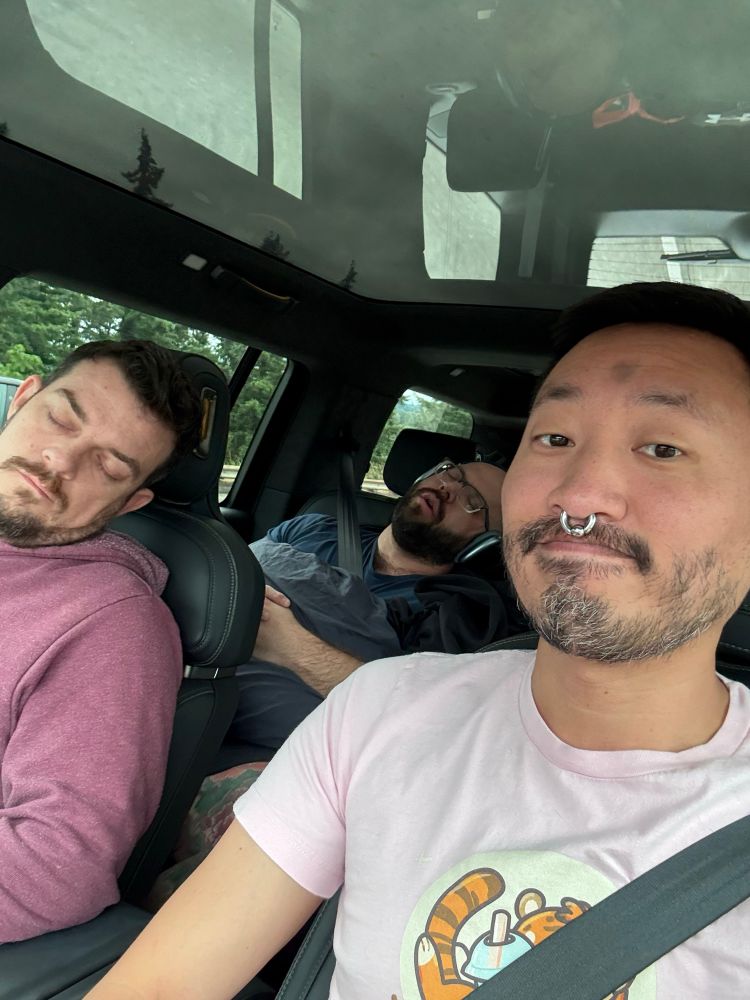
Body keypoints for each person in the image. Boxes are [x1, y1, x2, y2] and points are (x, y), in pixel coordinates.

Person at [87, 280, 750, 999]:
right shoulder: (381, 712)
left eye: (662, 447)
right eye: (555, 439)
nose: (581, 495)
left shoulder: (452, 608)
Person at [0, 339, 201, 943]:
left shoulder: (111, 623)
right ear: (24, 397)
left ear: (129, 502)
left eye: (109, 467)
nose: (58, 459)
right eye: (60, 418)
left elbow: (58, 864)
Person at [224, 459, 510, 756]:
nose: (446, 488)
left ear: (486, 543)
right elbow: (228, 580)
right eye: (450, 473)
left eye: (471, 500)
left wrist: (291, 644)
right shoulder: (309, 529)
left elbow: (413, 727)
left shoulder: (450, 617)